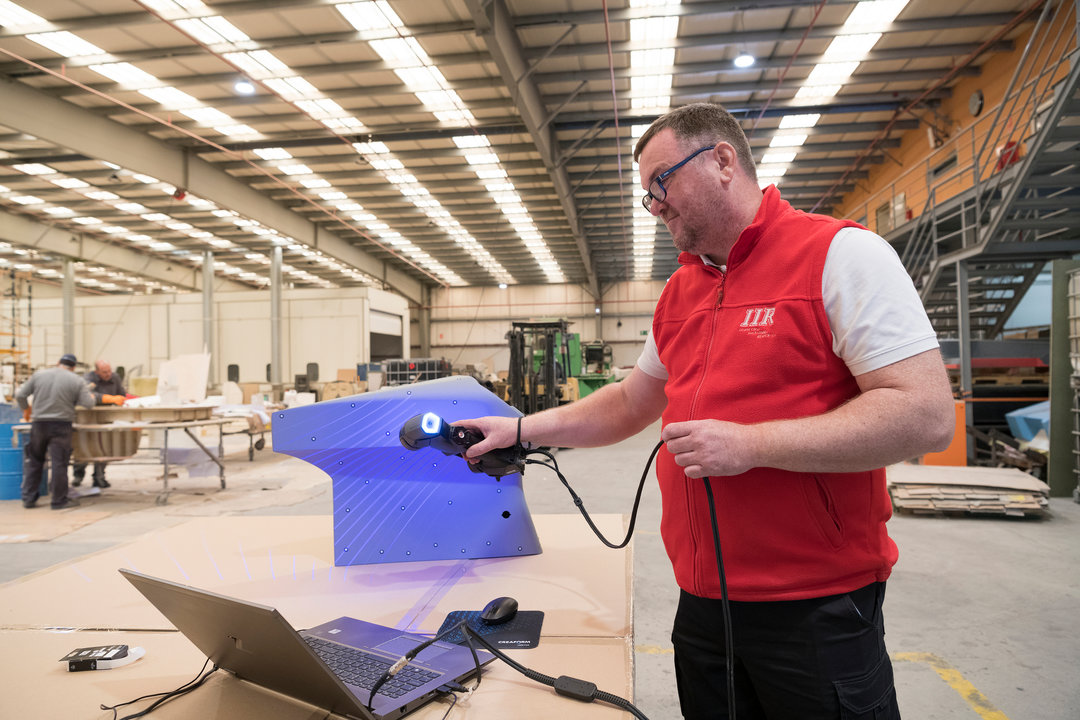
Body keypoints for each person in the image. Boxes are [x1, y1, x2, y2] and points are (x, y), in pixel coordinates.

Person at [458, 103, 956, 719]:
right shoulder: (680, 292)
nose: (655, 205)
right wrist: (522, 428)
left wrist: (753, 445)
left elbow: (925, 414)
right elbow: (629, 403)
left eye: (661, 182)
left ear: (723, 160)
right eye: (647, 195)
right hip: (702, 600)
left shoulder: (840, 255)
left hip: (816, 607)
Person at [15, 353, 96, 510]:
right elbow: (88, 404)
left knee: (35, 461)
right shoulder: (76, 380)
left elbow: (20, 395)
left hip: (39, 424)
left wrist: (26, 409)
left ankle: (29, 499)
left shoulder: (39, 375)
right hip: (61, 425)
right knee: (59, 464)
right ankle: (59, 501)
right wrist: (89, 395)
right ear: (73, 367)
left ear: (58, 363)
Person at [72, 359, 126, 489]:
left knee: (104, 447)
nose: (108, 374)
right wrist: (105, 398)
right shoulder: (88, 378)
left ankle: (99, 477)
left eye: (109, 371)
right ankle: (78, 476)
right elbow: (85, 395)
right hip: (88, 416)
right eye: (104, 372)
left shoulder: (115, 378)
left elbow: (121, 393)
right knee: (84, 447)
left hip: (106, 417)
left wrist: (122, 399)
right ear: (96, 371)